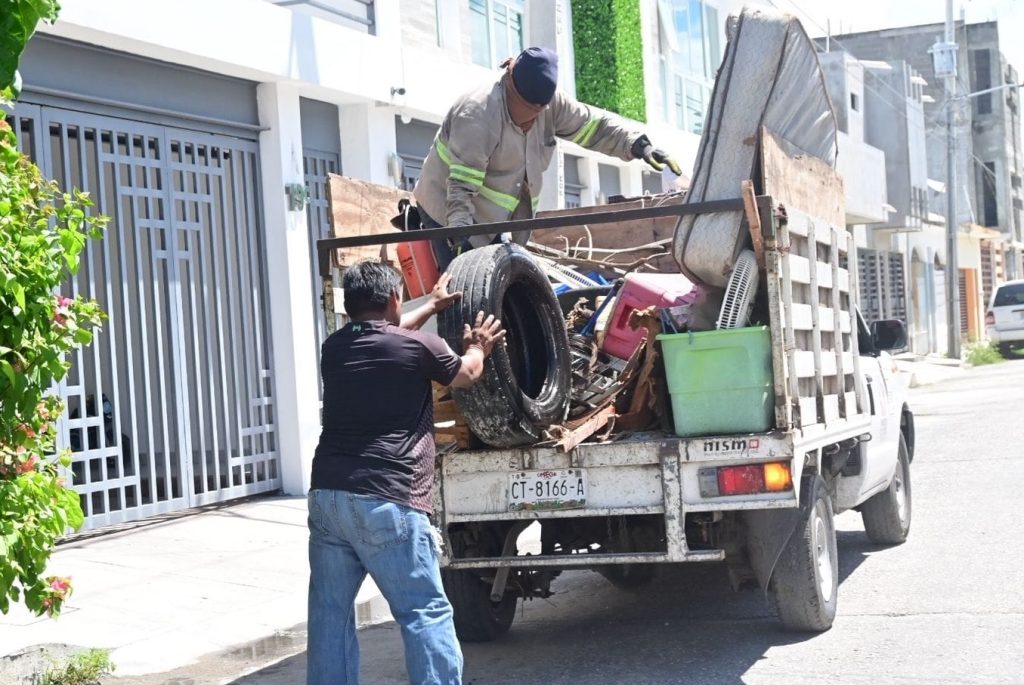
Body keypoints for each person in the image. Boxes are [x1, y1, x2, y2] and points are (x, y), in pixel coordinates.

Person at [306, 261, 505, 685]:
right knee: (423, 611)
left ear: (347, 305)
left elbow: (388, 333)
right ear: (394, 298)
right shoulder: (421, 347)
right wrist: (479, 347)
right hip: (388, 499)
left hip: (328, 497)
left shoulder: (335, 346)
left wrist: (430, 305)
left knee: (329, 618)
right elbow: (467, 374)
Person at [413, 46, 682, 268]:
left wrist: (639, 145)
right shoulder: (478, 114)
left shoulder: (553, 104)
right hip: (446, 213)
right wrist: (459, 245)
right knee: (459, 299)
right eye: (523, 111)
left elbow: (595, 127)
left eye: (537, 113)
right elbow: (460, 190)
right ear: (509, 82)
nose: (530, 121)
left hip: (493, 220)